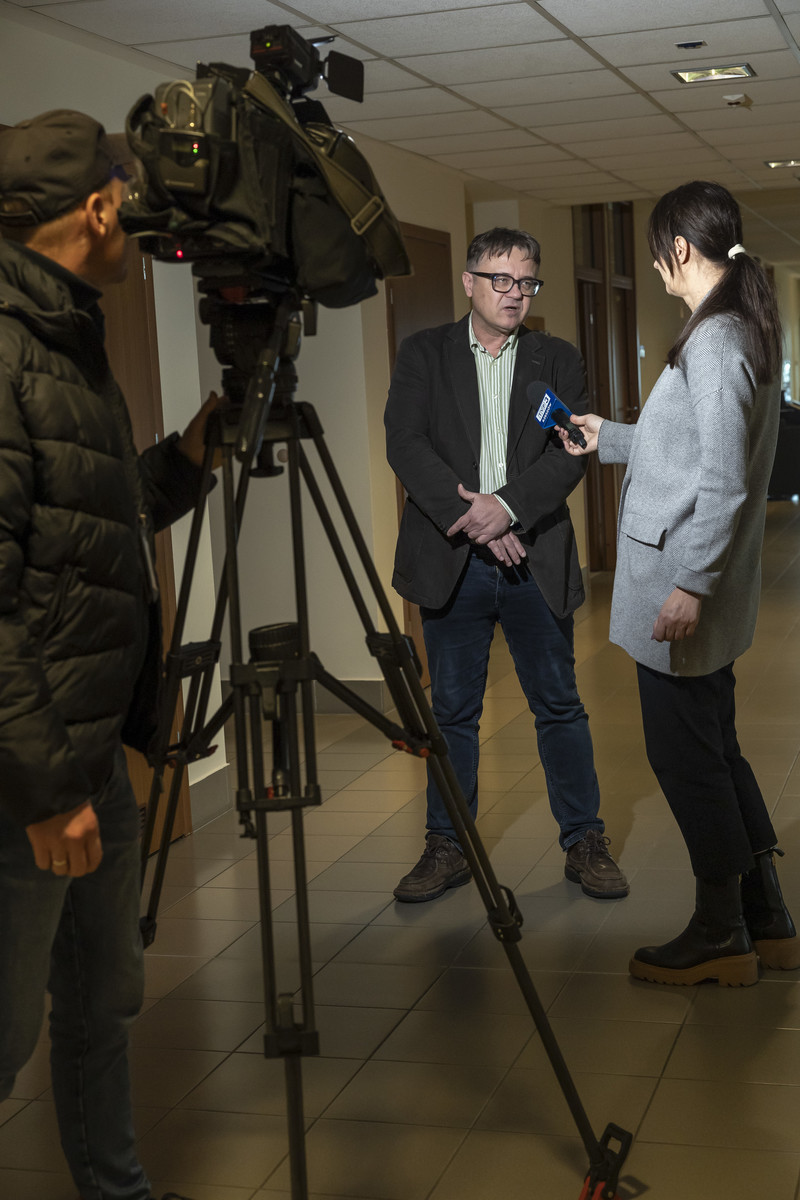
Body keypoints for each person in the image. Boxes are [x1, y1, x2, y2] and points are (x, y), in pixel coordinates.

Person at [0, 109, 219, 1200]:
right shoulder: (6, 350)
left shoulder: (68, 338)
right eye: (128, 200)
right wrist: (47, 793)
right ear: (95, 209)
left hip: (88, 755)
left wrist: (189, 456)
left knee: (101, 1001)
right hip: (26, 779)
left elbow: (96, 518)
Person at [560, 180, 796, 987]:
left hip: (683, 590)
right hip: (699, 587)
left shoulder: (716, 339)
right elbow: (692, 448)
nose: (657, 266)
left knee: (685, 759)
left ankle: (721, 932)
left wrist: (689, 585)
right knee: (716, 749)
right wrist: (609, 437)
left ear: (681, 249)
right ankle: (767, 917)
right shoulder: (734, 327)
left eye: (659, 251)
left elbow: (725, 481)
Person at [384, 226, 628, 903]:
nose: (514, 293)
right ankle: (447, 845)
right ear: (469, 283)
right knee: (452, 712)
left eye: (526, 281)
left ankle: (584, 841)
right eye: (500, 279)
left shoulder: (558, 358)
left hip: (533, 559)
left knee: (559, 706)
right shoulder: (424, 354)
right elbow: (404, 442)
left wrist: (508, 509)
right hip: (451, 560)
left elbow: (568, 452)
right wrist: (478, 519)